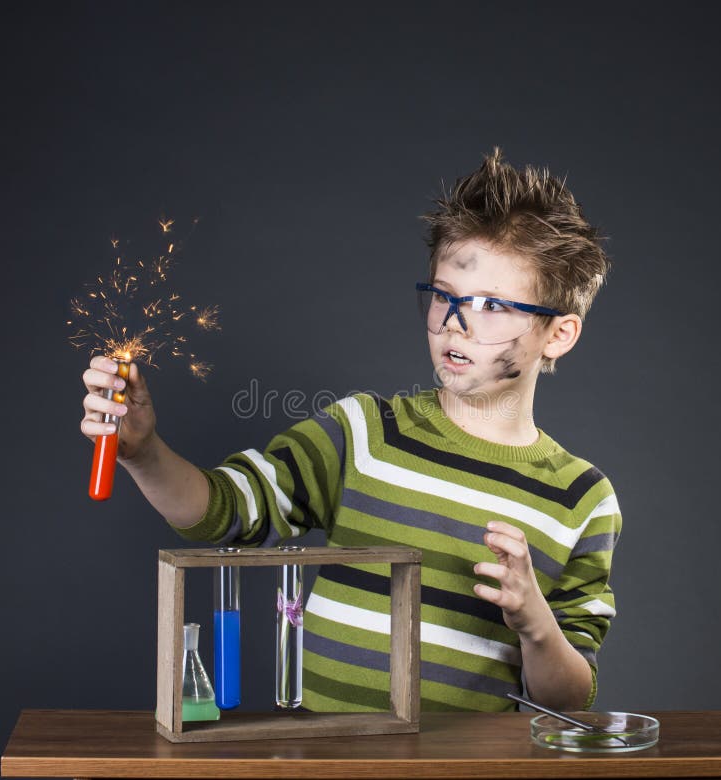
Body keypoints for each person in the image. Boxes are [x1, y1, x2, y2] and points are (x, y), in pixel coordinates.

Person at [81, 148, 620, 713]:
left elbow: (571, 696)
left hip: (465, 772)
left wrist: (536, 623)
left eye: (489, 305)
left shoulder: (583, 499)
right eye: (443, 297)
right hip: (327, 762)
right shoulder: (363, 432)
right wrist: (141, 452)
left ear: (558, 335)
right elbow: (225, 509)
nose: (454, 325)